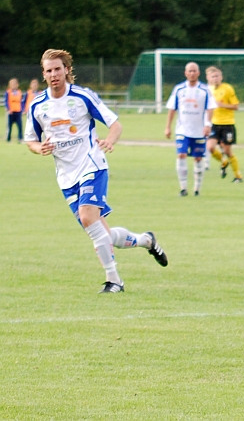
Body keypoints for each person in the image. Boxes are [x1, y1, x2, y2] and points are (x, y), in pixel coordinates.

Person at [25, 49, 168, 294]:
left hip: (92, 165)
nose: (53, 74)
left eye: (58, 69)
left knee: (89, 219)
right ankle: (147, 240)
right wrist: (41, 149)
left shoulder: (83, 96)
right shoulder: (38, 104)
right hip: (65, 176)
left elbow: (115, 124)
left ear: (67, 70)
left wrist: (110, 140)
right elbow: (30, 140)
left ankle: (115, 281)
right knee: (103, 234)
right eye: (48, 71)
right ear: (44, 74)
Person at [165, 62, 215, 196]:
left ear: (198, 73)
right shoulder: (179, 89)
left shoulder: (205, 90)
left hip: (199, 131)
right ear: (185, 73)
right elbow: (172, 108)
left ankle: (197, 188)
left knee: (198, 158)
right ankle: (183, 188)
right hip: (182, 130)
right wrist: (168, 127)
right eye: (189, 71)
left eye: (194, 71)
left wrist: (208, 124)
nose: (192, 73)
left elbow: (210, 108)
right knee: (181, 155)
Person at [205, 66, 243, 182]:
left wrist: (222, 105)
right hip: (214, 125)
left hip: (227, 125)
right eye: (213, 76)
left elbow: (236, 106)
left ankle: (238, 176)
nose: (215, 78)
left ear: (221, 77)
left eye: (217, 76)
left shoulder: (227, 89)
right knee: (210, 147)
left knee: (227, 151)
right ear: (208, 78)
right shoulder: (206, 90)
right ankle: (224, 161)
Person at [5, 78, 25, 143]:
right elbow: (6, 101)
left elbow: (22, 102)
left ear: (17, 84)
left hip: (18, 111)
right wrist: (8, 109)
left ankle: (20, 138)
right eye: (12, 84)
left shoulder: (19, 92)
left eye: (15, 84)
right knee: (9, 126)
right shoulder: (8, 92)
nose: (13, 85)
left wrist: (22, 110)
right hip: (11, 112)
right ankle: (8, 139)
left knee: (20, 126)